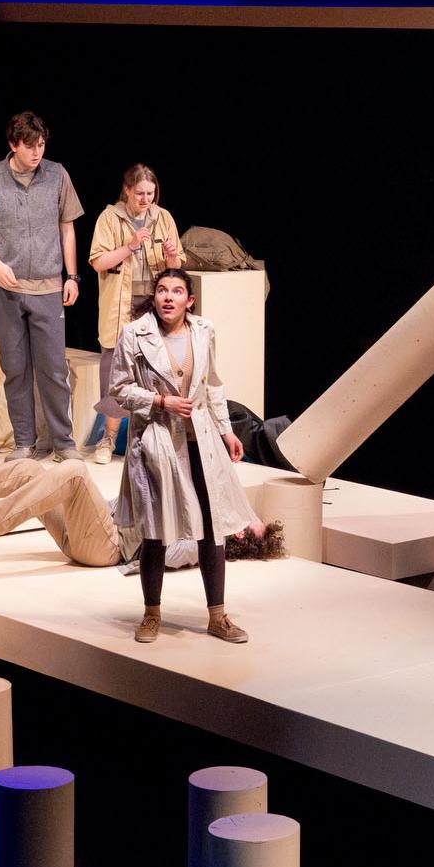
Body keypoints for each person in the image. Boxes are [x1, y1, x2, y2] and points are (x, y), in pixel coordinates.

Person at [111, 269, 261, 644]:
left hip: (201, 440)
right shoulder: (134, 333)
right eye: (162, 290)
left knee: (212, 527)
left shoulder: (203, 331)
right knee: (156, 531)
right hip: (158, 439)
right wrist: (160, 401)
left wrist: (227, 432)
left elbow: (213, 386)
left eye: (177, 291)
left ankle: (218, 617)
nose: (168, 297)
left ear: (189, 300)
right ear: (155, 296)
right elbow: (119, 389)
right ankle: (151, 615)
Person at [0, 111, 85, 461]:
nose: (37, 152)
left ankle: (63, 443)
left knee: (53, 369)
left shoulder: (57, 174)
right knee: (16, 368)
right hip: (4, 288)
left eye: (41, 145)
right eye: (30, 146)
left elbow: (67, 226)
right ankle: (24, 442)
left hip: (48, 287)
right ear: (13, 144)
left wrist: (72, 276)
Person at [84, 163, 182, 464]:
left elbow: (176, 266)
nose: (145, 199)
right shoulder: (110, 218)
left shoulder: (163, 217)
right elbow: (98, 262)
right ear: (127, 190)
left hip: (153, 309)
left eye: (150, 193)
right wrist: (130, 246)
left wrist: (170, 255)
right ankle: (109, 438)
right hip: (120, 308)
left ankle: (153, 441)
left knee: (155, 374)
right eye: (140, 193)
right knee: (115, 373)